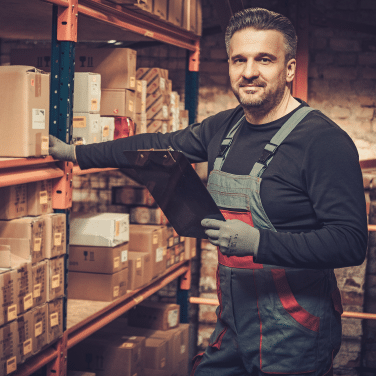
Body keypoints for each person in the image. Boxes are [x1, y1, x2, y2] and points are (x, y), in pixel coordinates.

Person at [49, 7, 368, 376]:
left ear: (290, 69)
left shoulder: (323, 141)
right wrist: (76, 153)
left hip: (295, 330)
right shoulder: (225, 127)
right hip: (234, 322)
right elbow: (155, 146)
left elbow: (350, 242)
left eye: (264, 59)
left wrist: (259, 243)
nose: (249, 71)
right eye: (239, 60)